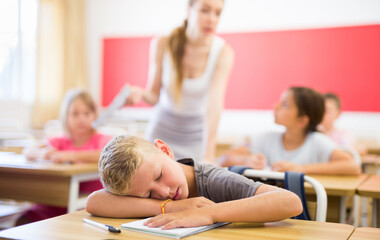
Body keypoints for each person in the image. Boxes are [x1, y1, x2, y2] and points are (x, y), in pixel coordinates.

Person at [86, 135, 302, 229]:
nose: (163, 192)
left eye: (159, 176)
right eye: (148, 195)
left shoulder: (212, 180)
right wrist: (170, 207)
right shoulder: (161, 196)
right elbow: (94, 202)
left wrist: (208, 213)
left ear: (165, 150)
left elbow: (290, 202)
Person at [125, 0, 234, 163]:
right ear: (189, 10)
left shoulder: (223, 53)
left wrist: (208, 154)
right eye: (205, 10)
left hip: (195, 139)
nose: (212, 19)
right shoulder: (163, 43)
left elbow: (214, 107)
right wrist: (139, 93)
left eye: (217, 13)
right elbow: (153, 96)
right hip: (160, 134)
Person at [17, 89, 112, 225]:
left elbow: (106, 153)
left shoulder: (100, 139)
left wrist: (69, 155)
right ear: (65, 116)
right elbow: (28, 151)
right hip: (57, 199)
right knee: (24, 219)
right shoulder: (60, 141)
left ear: (95, 116)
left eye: (87, 113)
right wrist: (45, 153)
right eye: (75, 114)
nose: (81, 118)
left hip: (87, 202)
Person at [219, 87, 361, 175]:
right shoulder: (263, 139)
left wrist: (301, 168)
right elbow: (226, 158)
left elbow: (352, 166)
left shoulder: (318, 142)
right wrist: (246, 160)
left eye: (285, 104)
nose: (276, 107)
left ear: (302, 120)